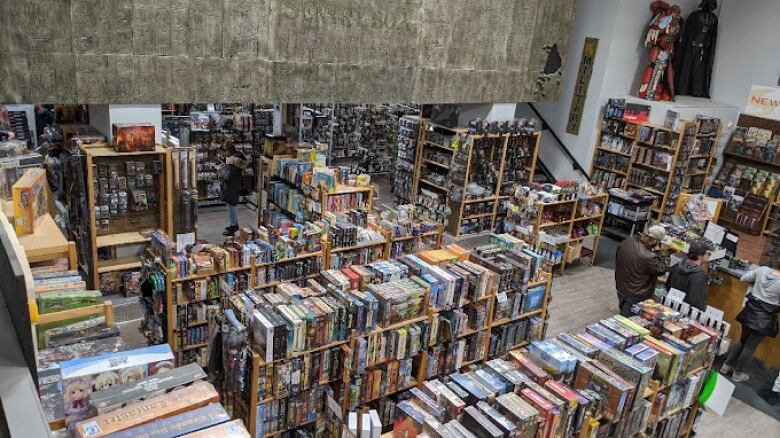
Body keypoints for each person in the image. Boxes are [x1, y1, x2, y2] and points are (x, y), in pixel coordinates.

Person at [720, 265, 780, 382]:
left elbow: (743, 278)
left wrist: (758, 286)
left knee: (742, 340)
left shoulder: (762, 269)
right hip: (765, 318)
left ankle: (725, 366)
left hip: (750, 311)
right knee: (750, 346)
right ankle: (737, 374)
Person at [615, 225, 668, 316]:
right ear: (654, 241)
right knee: (629, 319)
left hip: (621, 285)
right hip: (636, 293)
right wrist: (658, 252)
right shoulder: (649, 256)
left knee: (623, 307)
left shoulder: (628, 241)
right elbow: (661, 269)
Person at [665, 241, 710, 310]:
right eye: (708, 254)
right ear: (700, 256)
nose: (709, 256)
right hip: (685, 311)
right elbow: (696, 301)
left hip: (668, 305)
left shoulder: (677, 266)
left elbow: (667, 285)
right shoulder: (699, 275)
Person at [220, 152, 249, 236]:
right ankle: (233, 224)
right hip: (233, 189)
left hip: (231, 190)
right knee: (232, 207)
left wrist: (221, 170)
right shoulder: (237, 167)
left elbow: (226, 177)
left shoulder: (232, 167)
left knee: (232, 208)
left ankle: (234, 227)